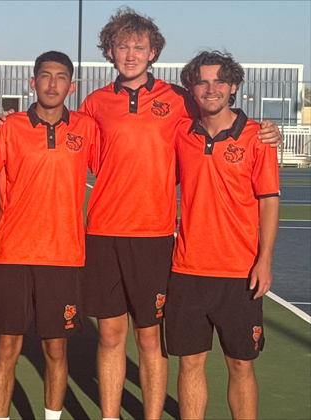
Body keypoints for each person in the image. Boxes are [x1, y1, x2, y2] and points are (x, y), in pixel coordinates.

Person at [77, 8, 282, 419]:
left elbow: (221, 114)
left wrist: (267, 129)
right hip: (104, 232)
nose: (131, 54)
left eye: (139, 46)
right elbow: (81, 150)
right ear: (109, 51)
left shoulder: (178, 100)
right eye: (122, 46)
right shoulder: (95, 103)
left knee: (151, 339)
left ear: (153, 51)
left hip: (155, 238)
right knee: (111, 336)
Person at [0, 51, 100, 420]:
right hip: (13, 255)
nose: (52, 84)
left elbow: (116, 166)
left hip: (63, 256)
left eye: (60, 77)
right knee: (6, 348)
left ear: (71, 87)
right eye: (45, 76)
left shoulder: (87, 128)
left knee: (56, 350)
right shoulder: (11, 128)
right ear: (33, 82)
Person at [168, 50, 279, 420]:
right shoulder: (182, 134)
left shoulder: (258, 137)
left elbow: (268, 203)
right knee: (190, 364)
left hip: (239, 273)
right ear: (191, 87)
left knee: (241, 366)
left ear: (233, 86)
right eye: (202, 80)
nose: (211, 88)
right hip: (187, 271)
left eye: (219, 81)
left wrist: (264, 260)